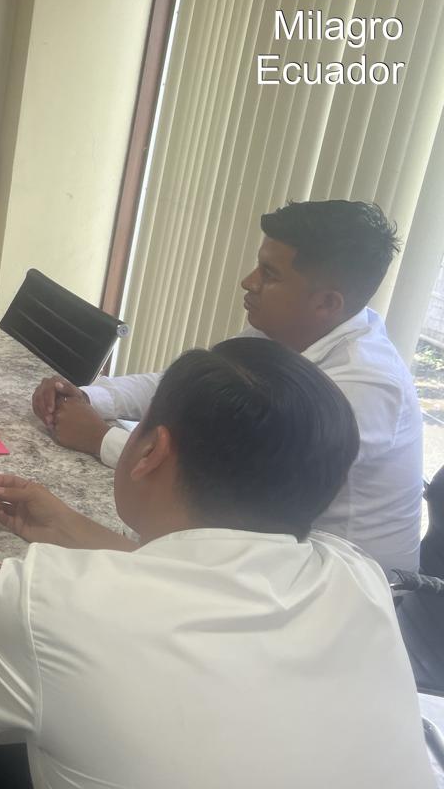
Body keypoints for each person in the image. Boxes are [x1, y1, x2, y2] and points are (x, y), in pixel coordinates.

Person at [0, 338, 434, 789]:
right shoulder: (357, 575)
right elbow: (213, 582)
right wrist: (69, 527)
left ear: (151, 450)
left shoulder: (50, 604)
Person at [33, 199, 422, 574]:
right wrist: (91, 397)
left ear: (326, 303)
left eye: (269, 274)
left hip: (332, 582)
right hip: (266, 548)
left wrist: (100, 438)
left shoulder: (365, 385)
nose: (248, 282)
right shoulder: (287, 327)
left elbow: (234, 482)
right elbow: (191, 388)